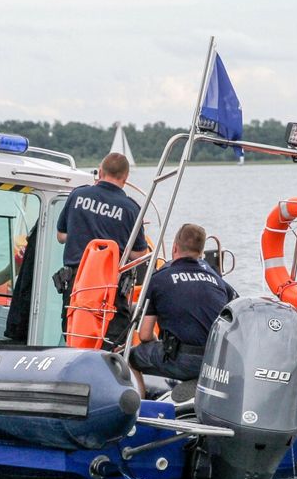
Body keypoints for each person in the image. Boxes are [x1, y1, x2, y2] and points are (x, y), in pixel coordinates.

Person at [129, 223, 236, 391]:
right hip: (216, 360)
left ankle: (139, 407)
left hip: (184, 360)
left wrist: (158, 345)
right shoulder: (218, 280)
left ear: (174, 247)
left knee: (131, 357)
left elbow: (144, 335)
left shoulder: (159, 279)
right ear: (201, 253)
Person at [56, 152, 149, 342]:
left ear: (100, 172)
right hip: (110, 285)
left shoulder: (78, 195)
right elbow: (141, 253)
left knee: (75, 335)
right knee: (111, 342)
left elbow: (61, 236)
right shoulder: (131, 209)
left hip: (77, 283)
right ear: (125, 178)